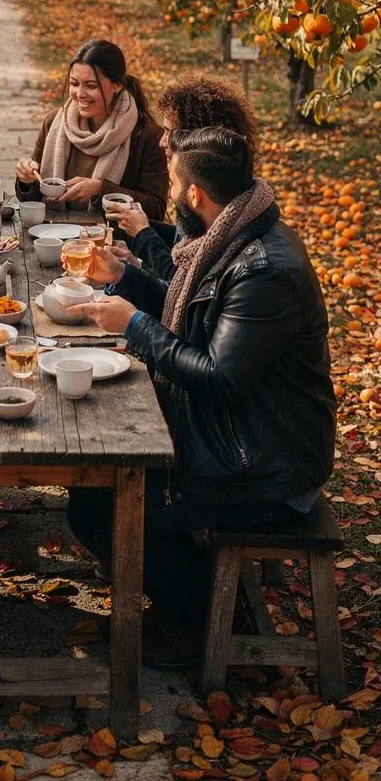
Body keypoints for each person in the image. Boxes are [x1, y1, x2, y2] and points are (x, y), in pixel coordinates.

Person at [66, 126, 335, 670]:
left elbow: (217, 375)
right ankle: (186, 599)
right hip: (240, 434)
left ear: (194, 195)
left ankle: (206, 617)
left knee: (106, 505)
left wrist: (137, 326)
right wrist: (126, 277)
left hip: (264, 462)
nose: (167, 194)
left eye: (171, 182)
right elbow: (198, 317)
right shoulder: (235, 234)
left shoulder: (264, 269)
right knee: (93, 486)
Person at [114, 77, 259, 280]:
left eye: (169, 133)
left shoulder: (215, 195)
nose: (162, 142)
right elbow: (181, 240)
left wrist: (143, 234)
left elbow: (180, 281)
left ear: (196, 138)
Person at [16, 39, 167, 217]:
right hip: (51, 234)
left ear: (117, 85)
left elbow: (156, 209)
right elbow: (32, 199)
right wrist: (26, 181)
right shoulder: (54, 123)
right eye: (74, 84)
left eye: (91, 86)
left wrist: (101, 190)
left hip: (112, 241)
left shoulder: (147, 136)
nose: (79, 94)